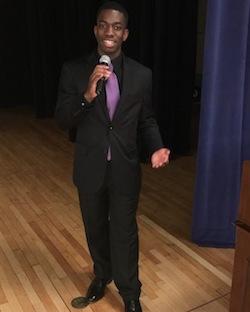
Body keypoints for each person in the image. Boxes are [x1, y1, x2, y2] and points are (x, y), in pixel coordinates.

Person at [55, 1, 170, 311]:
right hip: (90, 166)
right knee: (94, 228)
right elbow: (63, 119)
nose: (110, 32)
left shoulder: (142, 75)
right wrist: (86, 96)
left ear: (125, 33)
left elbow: (146, 119)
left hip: (125, 168)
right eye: (104, 25)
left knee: (124, 231)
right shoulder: (75, 70)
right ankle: (101, 276)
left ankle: (130, 293)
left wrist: (157, 145)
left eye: (116, 27)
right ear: (95, 29)